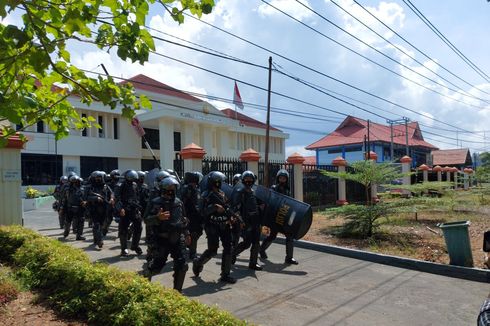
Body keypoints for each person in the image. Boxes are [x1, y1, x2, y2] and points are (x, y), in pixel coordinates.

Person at [143, 177, 189, 292]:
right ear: (162, 188)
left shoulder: (179, 202)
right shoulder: (155, 202)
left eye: (173, 187)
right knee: (156, 267)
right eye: (168, 187)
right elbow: (146, 220)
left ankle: (177, 293)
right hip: (161, 239)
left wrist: (187, 233)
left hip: (178, 238)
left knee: (182, 266)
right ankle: (143, 281)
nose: (171, 190)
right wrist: (157, 218)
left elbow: (184, 218)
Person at [192, 171, 237, 284]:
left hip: (224, 225)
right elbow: (201, 211)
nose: (219, 183)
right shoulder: (205, 195)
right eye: (217, 182)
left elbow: (226, 207)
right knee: (213, 250)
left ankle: (225, 275)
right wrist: (213, 207)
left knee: (229, 248)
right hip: (212, 225)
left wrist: (231, 217)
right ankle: (198, 263)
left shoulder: (222, 193)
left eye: (220, 181)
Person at [260, 169, 298, 265]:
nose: (282, 179)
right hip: (274, 216)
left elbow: (290, 203)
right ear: (278, 178)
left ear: (286, 179)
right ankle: (261, 249)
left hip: (284, 216)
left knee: (289, 235)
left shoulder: (288, 190)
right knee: (273, 235)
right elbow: (270, 200)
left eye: (284, 178)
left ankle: (289, 258)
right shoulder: (273, 188)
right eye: (281, 178)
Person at [232, 171, 263, 271]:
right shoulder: (240, 192)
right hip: (245, 220)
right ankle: (232, 254)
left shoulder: (254, 192)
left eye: (250, 179)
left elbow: (254, 205)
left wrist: (260, 207)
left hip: (255, 220)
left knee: (256, 243)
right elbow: (236, 207)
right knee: (247, 243)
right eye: (246, 179)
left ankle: (253, 263)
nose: (248, 181)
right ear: (243, 180)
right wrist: (240, 221)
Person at [114, 170, 143, 257]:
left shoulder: (134, 185)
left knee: (139, 227)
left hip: (134, 209)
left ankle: (135, 245)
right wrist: (120, 209)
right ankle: (124, 249)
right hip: (125, 209)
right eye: (132, 179)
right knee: (123, 230)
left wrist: (138, 207)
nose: (133, 180)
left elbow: (136, 197)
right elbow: (117, 198)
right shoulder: (120, 185)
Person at [84, 171, 114, 249]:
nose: (98, 179)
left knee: (102, 225)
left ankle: (96, 239)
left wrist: (111, 199)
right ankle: (100, 241)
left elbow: (112, 193)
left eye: (99, 178)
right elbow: (86, 197)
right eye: (96, 178)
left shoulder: (105, 186)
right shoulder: (89, 187)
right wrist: (96, 198)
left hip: (104, 208)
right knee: (96, 225)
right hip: (94, 209)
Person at [181, 171, 203, 260]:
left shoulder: (196, 189)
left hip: (196, 216)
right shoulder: (186, 189)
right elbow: (182, 202)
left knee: (198, 232)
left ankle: (189, 247)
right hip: (189, 215)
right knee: (192, 234)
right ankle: (192, 253)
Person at [62, 175, 86, 240]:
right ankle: (66, 232)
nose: (75, 183)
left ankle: (78, 235)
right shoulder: (67, 189)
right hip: (70, 207)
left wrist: (85, 202)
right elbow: (64, 199)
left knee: (80, 221)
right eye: (74, 182)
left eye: (77, 181)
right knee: (68, 221)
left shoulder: (83, 188)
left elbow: (85, 197)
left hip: (79, 208)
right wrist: (62, 207)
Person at [102, 169, 120, 236]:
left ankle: (121, 233)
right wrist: (108, 201)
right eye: (115, 176)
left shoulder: (121, 184)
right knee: (108, 219)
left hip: (119, 202)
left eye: (117, 176)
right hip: (110, 203)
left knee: (122, 219)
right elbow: (105, 194)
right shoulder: (107, 185)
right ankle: (104, 229)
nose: (116, 177)